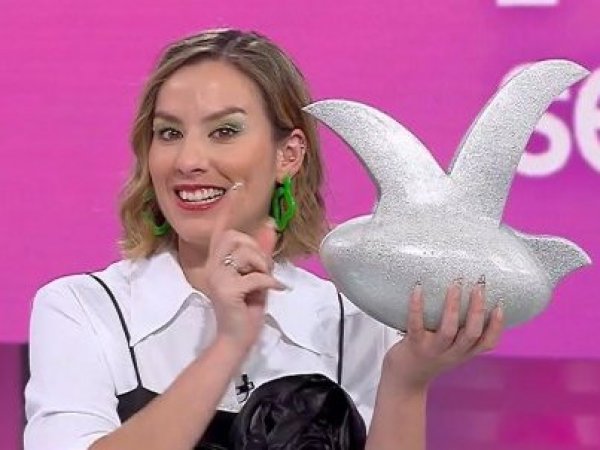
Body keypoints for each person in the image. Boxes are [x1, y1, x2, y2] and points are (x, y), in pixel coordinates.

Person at [24, 28, 504, 450]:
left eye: (224, 131)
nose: (188, 160)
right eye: (168, 133)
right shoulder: (83, 310)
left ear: (288, 155)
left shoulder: (354, 323)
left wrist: (406, 382)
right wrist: (228, 344)